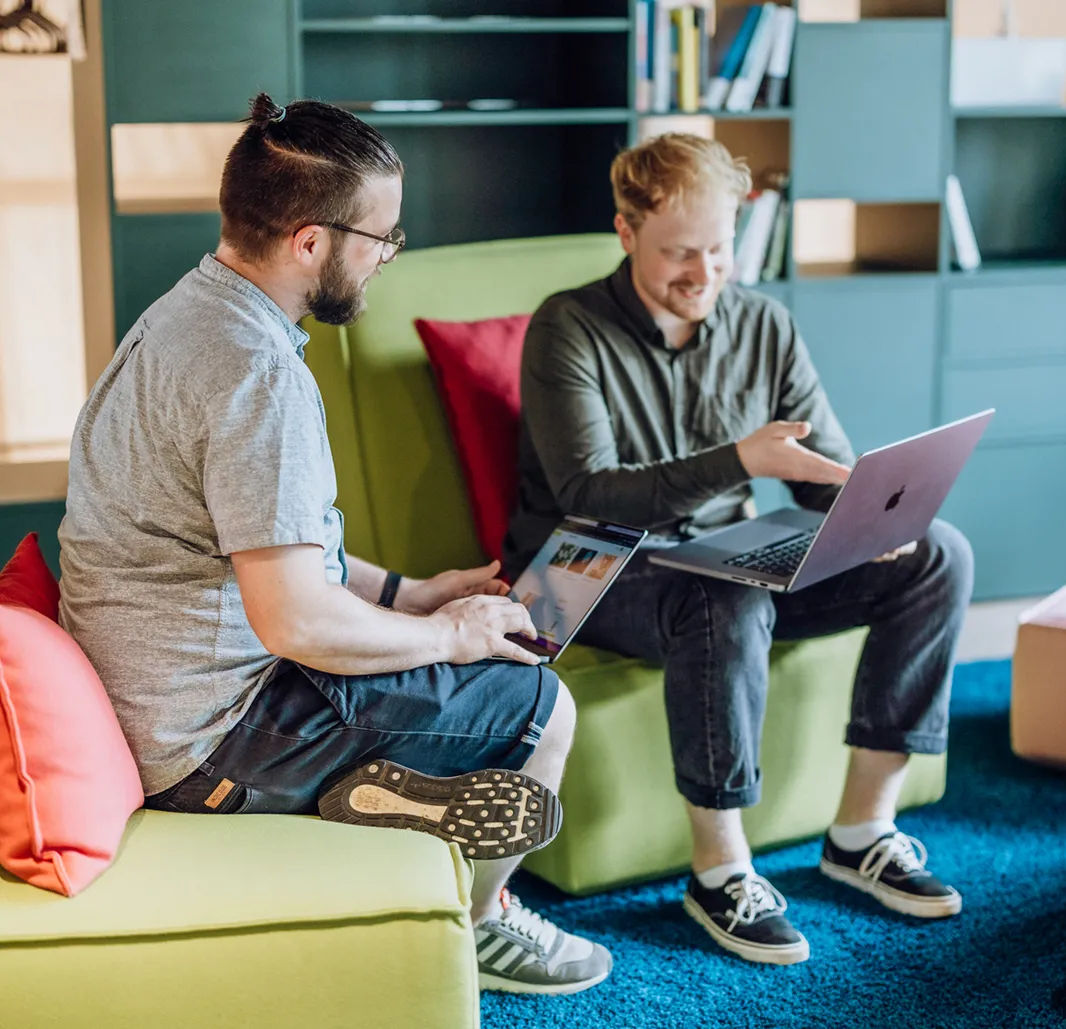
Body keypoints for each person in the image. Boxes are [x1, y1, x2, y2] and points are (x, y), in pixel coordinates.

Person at [57, 94, 610, 996]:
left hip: (163, 701)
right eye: (382, 237)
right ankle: (483, 929)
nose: (391, 255)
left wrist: (411, 593)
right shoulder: (256, 373)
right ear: (311, 242)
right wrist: (454, 636)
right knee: (538, 702)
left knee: (472, 650)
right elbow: (294, 618)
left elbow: (266, 544)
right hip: (210, 744)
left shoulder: (183, 316)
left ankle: (383, 794)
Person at [505, 133, 974, 966]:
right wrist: (739, 460)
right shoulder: (565, 327)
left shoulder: (764, 323)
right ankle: (719, 870)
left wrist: (876, 513)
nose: (705, 273)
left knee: (938, 553)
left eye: (719, 249)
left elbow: (821, 469)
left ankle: (863, 828)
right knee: (721, 591)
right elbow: (589, 493)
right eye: (679, 252)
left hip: (724, 556)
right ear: (624, 230)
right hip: (579, 570)